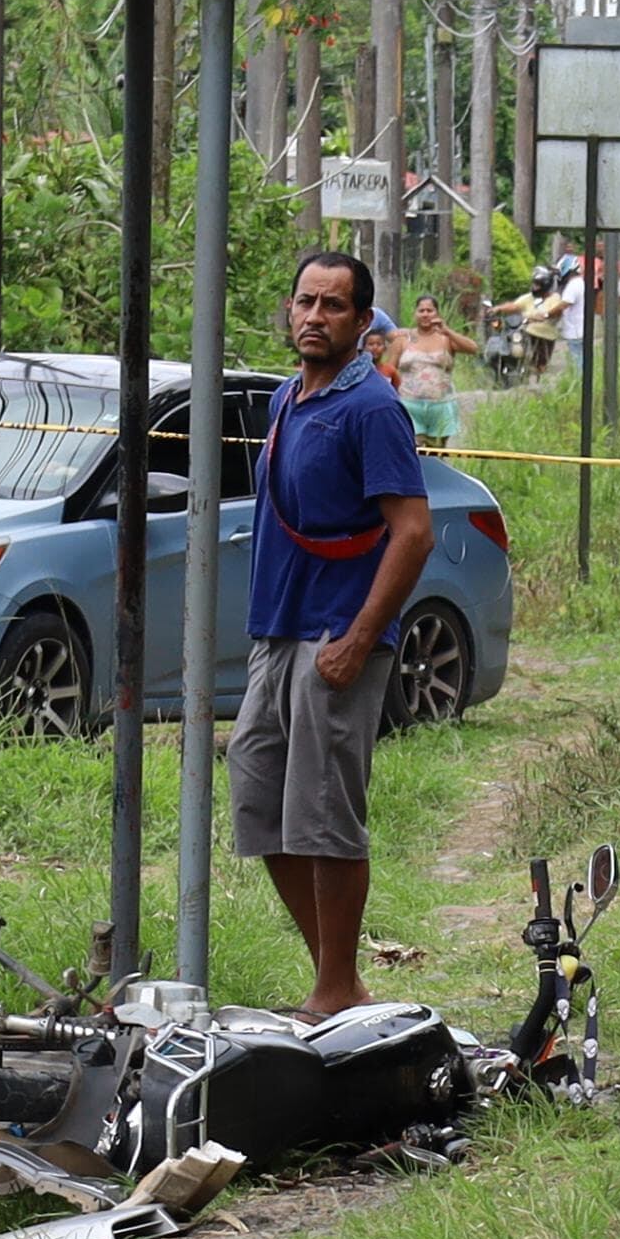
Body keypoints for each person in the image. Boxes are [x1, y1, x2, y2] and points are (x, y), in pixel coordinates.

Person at [235, 249, 433, 1019]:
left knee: (324, 815)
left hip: (336, 640)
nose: (315, 317)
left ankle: (333, 987)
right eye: (305, 302)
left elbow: (411, 533)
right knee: (260, 799)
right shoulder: (290, 396)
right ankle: (338, 977)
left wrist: (357, 639)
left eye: (333, 306)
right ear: (289, 309)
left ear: (361, 323)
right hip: (276, 632)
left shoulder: (372, 408)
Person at [395, 299, 463, 441]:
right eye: (421, 310)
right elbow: (389, 370)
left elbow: (473, 348)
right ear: (415, 313)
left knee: (437, 454)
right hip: (410, 405)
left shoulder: (446, 339)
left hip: (441, 406)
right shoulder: (403, 338)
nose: (425, 314)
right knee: (415, 452)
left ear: (437, 313)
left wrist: (448, 331)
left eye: (429, 310)